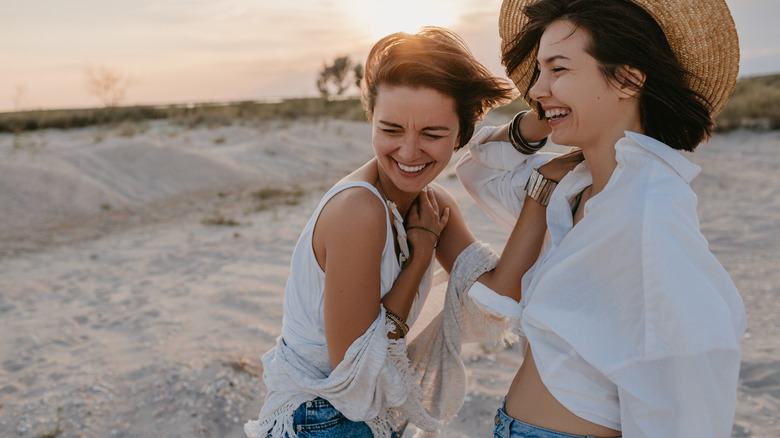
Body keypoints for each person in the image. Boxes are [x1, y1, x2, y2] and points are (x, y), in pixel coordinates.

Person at [244, 26, 580, 438]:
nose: (408, 151)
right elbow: (355, 373)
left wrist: (541, 186)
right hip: (319, 418)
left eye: (432, 134)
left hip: (365, 416)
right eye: (390, 130)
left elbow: (500, 294)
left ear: (459, 137)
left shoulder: (432, 204)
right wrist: (419, 257)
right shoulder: (359, 211)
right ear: (371, 120)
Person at [455, 0, 747, 436]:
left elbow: (691, 374)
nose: (536, 89)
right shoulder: (573, 187)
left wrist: (558, 111)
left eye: (558, 69)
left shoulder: (649, 208)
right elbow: (478, 170)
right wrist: (545, 120)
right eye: (539, 72)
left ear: (627, 80)